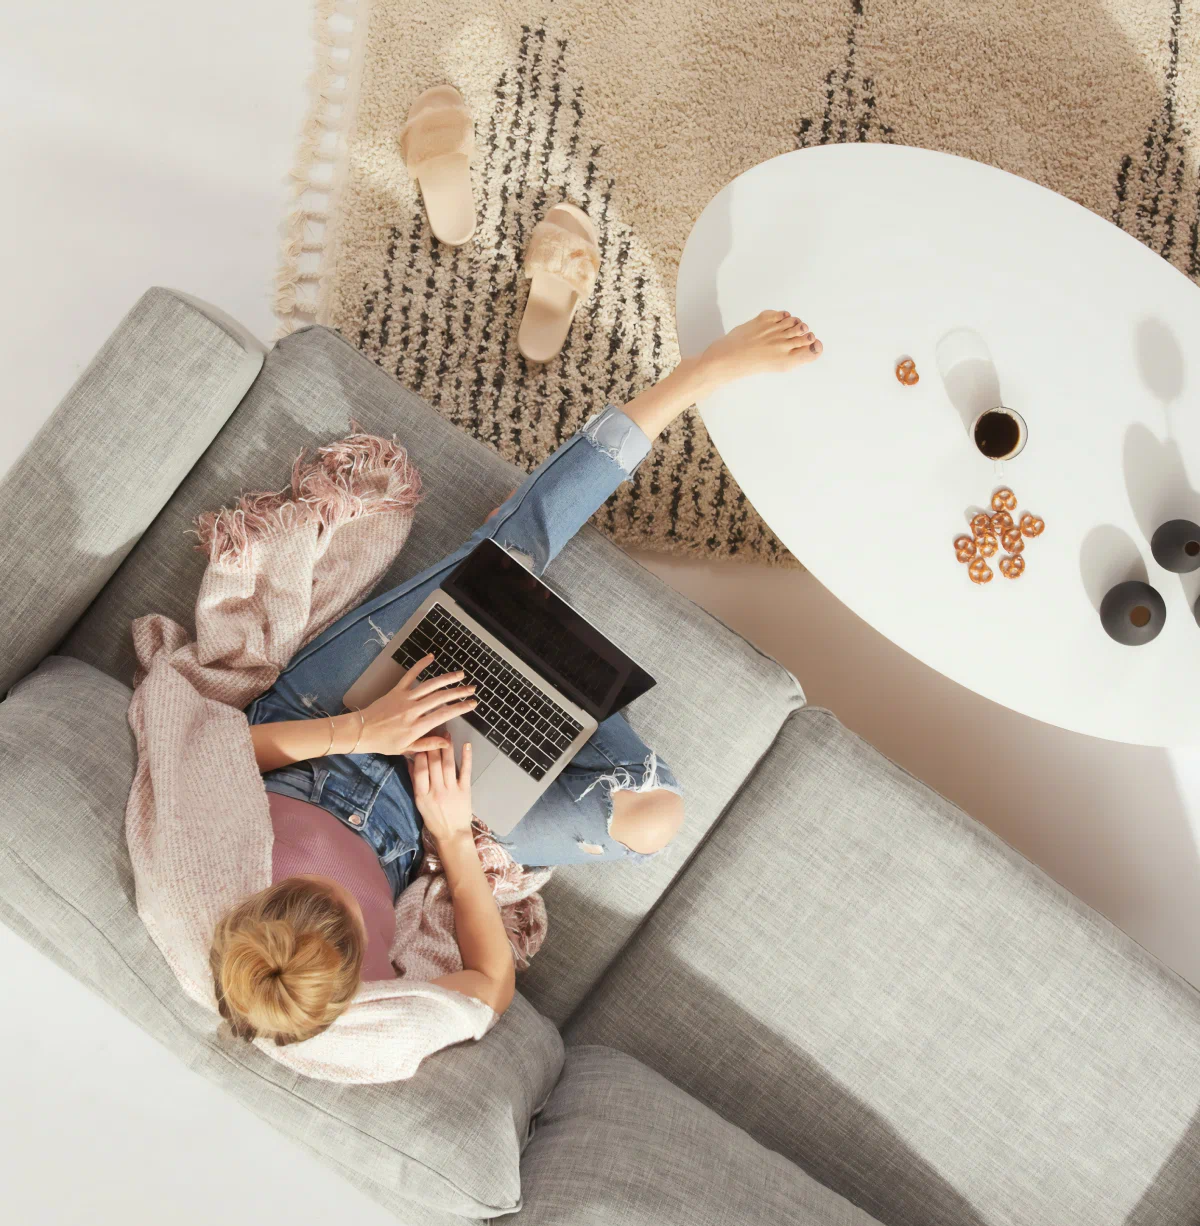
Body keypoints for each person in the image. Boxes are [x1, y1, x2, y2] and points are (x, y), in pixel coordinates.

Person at [210, 310, 823, 1046]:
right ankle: (533, 639)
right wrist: (450, 834)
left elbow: (220, 750)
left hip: (326, 720)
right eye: (350, 909)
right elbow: (490, 988)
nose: (336, 886)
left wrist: (364, 728)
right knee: (652, 814)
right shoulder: (352, 1011)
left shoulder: (212, 887)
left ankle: (694, 377)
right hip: (431, 812)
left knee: (505, 556)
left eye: (305, 881)